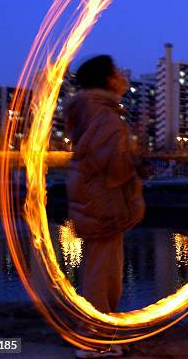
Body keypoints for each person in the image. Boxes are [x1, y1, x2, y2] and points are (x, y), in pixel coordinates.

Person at [64, 55, 145, 358]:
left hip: (95, 201)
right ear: (109, 79)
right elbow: (112, 167)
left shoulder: (91, 111)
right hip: (104, 203)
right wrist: (137, 163)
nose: (124, 74)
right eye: (119, 70)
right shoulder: (105, 117)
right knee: (103, 274)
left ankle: (101, 335)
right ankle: (95, 340)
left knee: (103, 271)